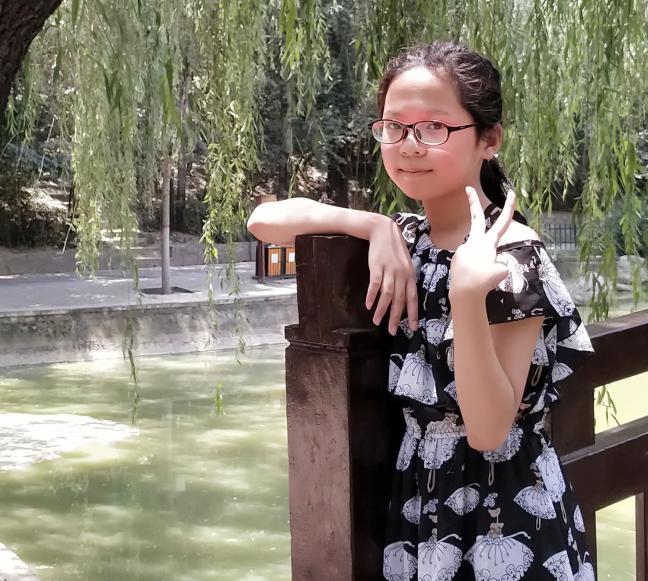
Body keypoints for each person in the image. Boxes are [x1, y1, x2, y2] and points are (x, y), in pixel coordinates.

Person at [247, 40, 595, 581]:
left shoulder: (511, 256)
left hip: (504, 508)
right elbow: (263, 222)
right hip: (422, 505)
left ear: (488, 140)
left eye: (434, 127)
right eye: (394, 127)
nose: (408, 145)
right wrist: (370, 224)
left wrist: (467, 297)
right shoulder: (410, 237)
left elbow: (488, 430)